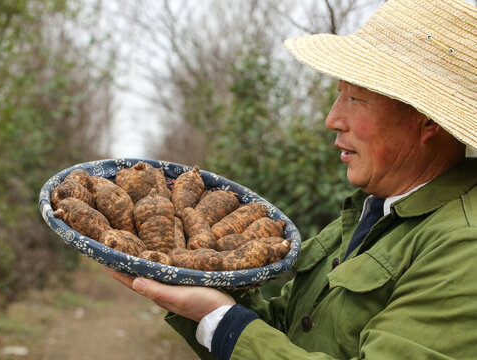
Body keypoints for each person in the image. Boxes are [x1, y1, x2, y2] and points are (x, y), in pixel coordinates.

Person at [107, 0, 477, 358]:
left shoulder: (463, 247)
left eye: (356, 99)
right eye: (338, 95)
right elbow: (289, 332)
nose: (332, 119)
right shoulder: (371, 215)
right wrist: (195, 287)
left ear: (428, 120)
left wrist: (223, 324)